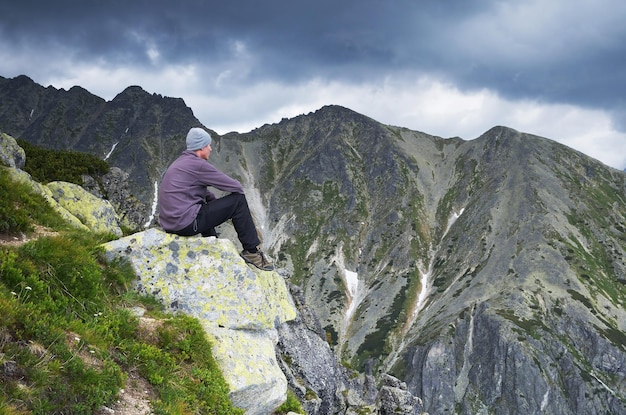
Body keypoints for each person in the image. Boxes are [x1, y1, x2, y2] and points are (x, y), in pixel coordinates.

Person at [158, 127, 273, 271]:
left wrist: (217, 205)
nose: (210, 149)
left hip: (171, 224)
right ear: (201, 147)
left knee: (204, 206)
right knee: (238, 201)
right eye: (208, 145)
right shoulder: (198, 165)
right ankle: (252, 252)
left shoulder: (180, 163)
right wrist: (228, 209)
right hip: (186, 224)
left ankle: (213, 245)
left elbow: (201, 193)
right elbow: (235, 186)